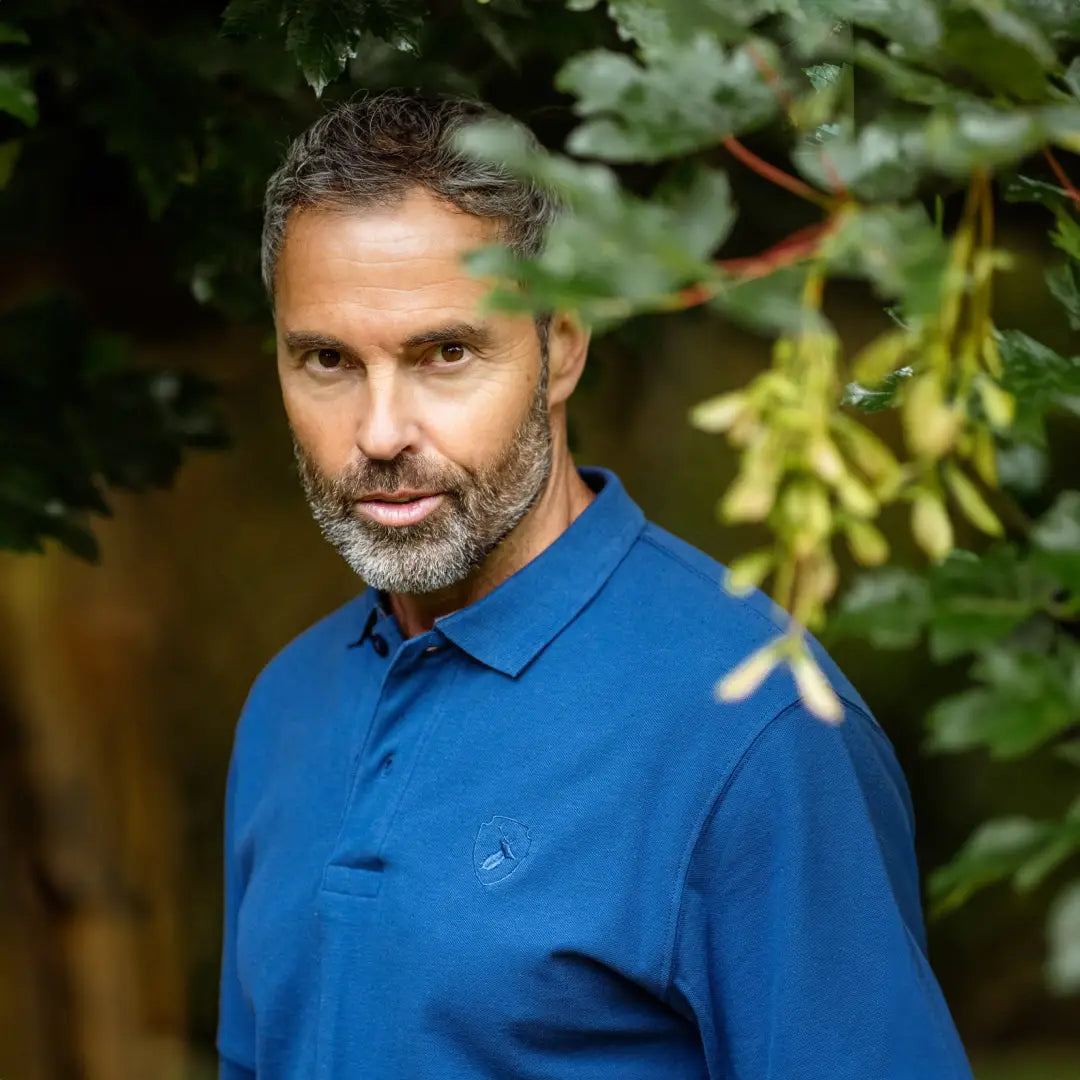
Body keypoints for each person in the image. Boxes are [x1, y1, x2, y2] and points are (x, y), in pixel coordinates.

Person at [216, 91, 974, 1080]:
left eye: (445, 352)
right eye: (326, 360)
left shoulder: (755, 729)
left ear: (561, 346)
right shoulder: (286, 705)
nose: (380, 433)